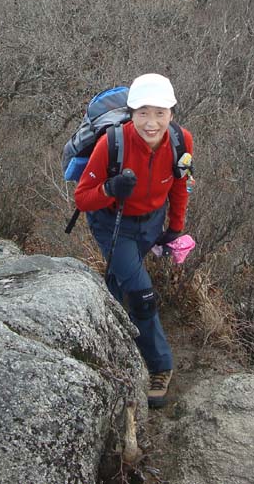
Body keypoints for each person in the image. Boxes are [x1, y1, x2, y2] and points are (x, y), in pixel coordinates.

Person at [75, 73, 193, 408]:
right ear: (131, 113)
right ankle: (160, 365)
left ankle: (107, 333)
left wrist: (175, 227)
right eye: (142, 112)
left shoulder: (182, 141)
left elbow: (180, 185)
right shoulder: (112, 143)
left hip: (151, 222)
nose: (151, 122)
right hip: (113, 222)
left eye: (159, 113)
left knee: (118, 281)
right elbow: (83, 199)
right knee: (141, 293)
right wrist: (110, 190)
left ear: (171, 112)